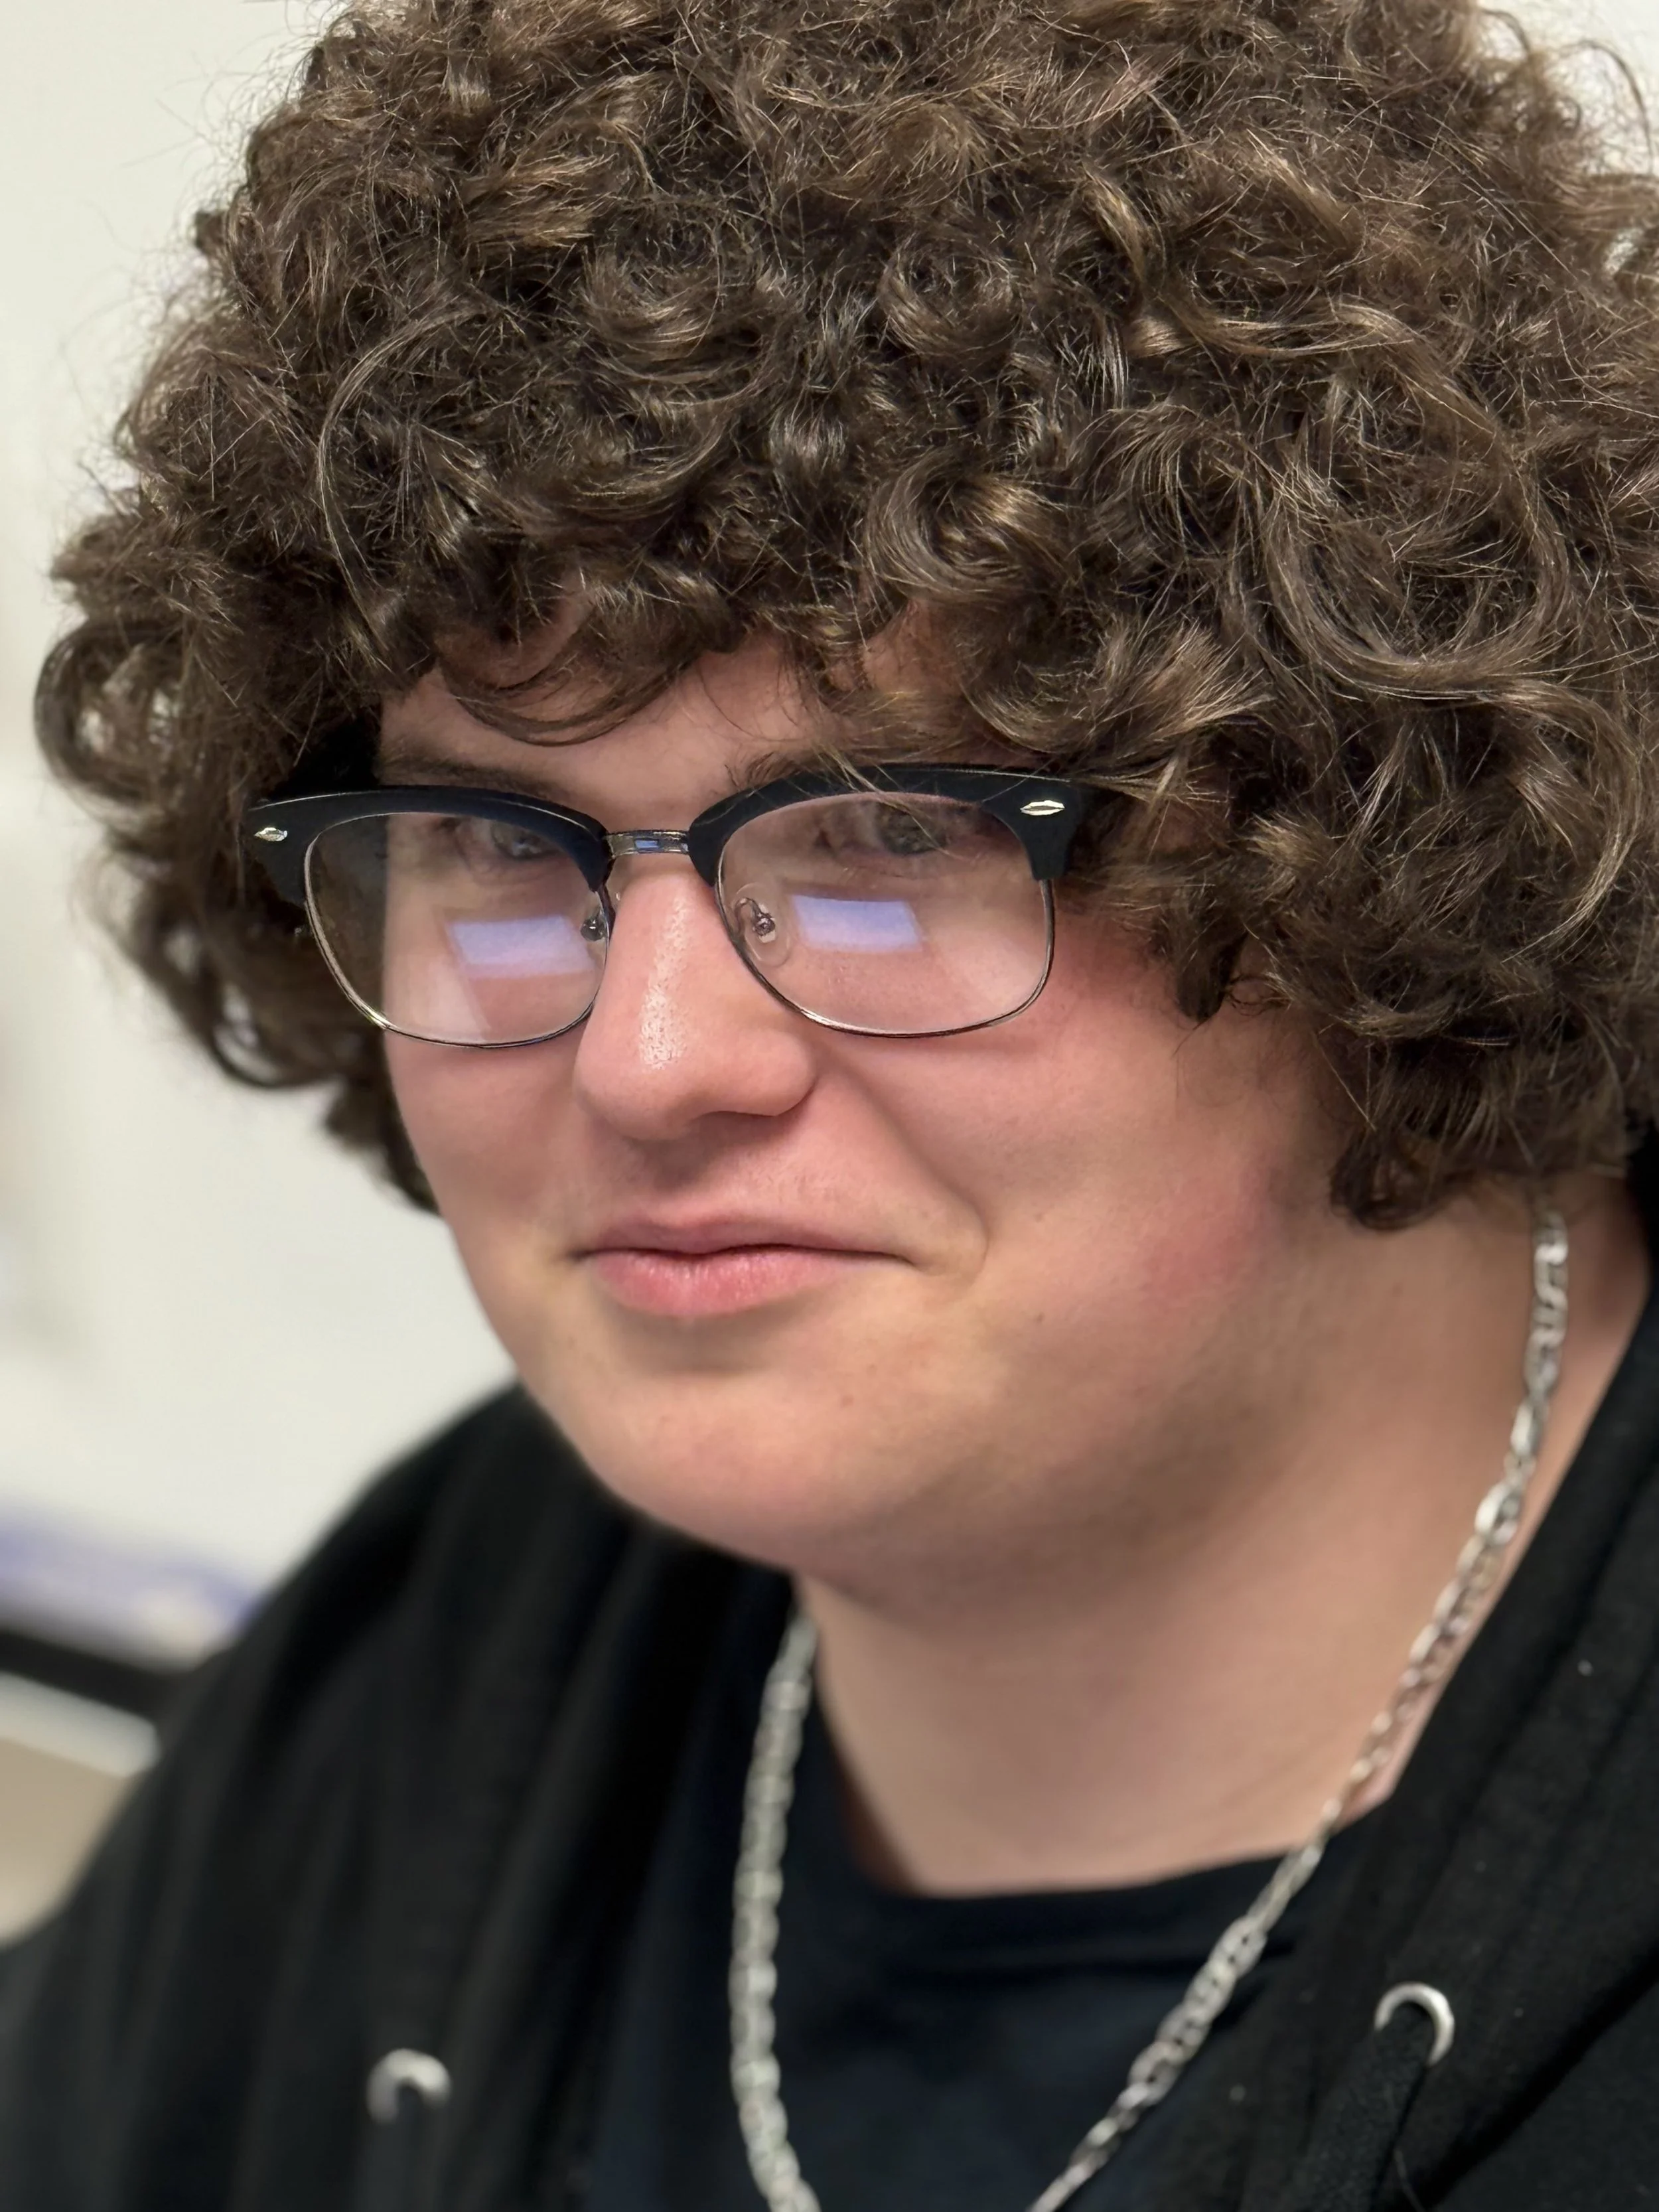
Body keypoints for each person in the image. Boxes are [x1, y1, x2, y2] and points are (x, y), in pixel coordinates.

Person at [6, 0, 1659, 2204]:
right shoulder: (452, 1650)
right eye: (504, 846)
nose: (653, 1057)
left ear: (1384, 843)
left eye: (892, 839)